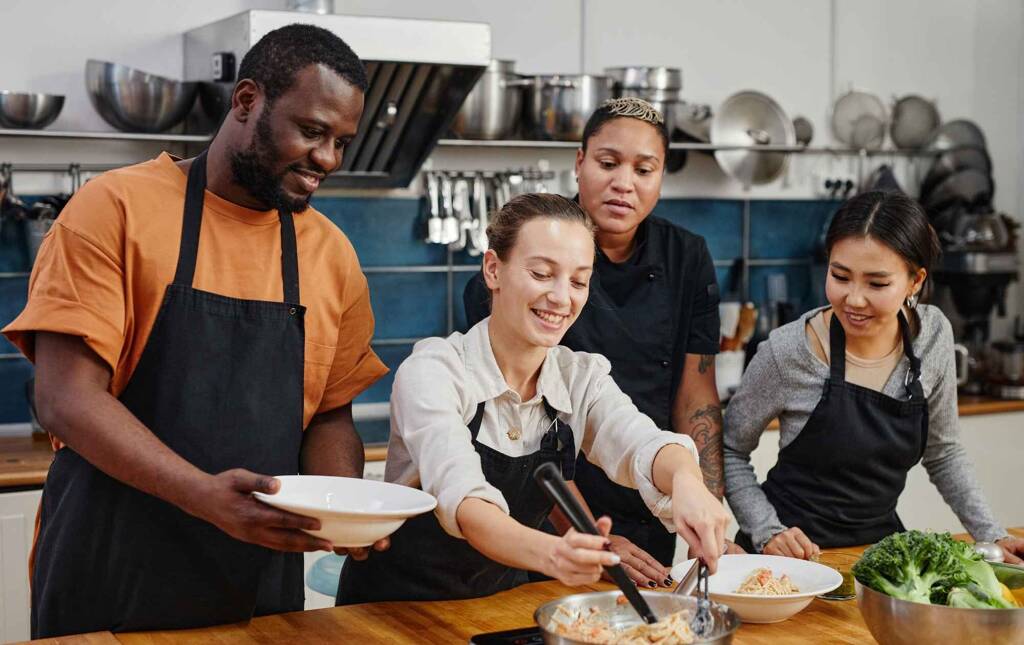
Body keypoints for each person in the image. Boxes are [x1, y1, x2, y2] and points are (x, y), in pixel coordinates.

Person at [2, 25, 391, 637]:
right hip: (111, 565)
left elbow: (328, 413)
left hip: (259, 579)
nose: (328, 160)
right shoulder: (114, 209)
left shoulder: (330, 254)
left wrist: (345, 505)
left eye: (341, 141)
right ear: (245, 101)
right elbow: (66, 399)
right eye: (311, 131)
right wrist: (203, 495)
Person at [336, 193, 729, 605]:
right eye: (542, 274)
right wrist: (557, 554)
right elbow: (467, 503)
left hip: (495, 607)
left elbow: (640, 442)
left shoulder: (579, 377)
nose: (562, 297)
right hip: (392, 611)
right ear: (493, 270)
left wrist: (687, 480)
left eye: (579, 281)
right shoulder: (435, 371)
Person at [465, 98, 730, 585]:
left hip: (654, 503)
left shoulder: (687, 257)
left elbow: (691, 402)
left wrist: (704, 502)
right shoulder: (504, 293)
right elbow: (527, 439)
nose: (623, 183)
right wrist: (592, 540)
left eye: (643, 168)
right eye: (608, 163)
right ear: (580, 162)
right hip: (544, 523)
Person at [724, 191, 1024, 563]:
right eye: (840, 276)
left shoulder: (932, 336)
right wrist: (767, 530)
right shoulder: (788, 352)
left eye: (877, 283)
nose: (854, 299)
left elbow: (943, 452)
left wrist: (992, 534)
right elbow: (730, 450)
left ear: (915, 281)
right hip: (789, 561)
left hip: (879, 557)